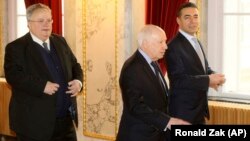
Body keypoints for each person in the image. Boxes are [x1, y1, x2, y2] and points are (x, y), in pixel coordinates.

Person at [4, 3, 83, 141]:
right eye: (41, 21)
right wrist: (41, 86)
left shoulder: (60, 41)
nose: (46, 24)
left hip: (66, 122)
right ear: (29, 23)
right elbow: (14, 77)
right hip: (34, 125)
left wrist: (78, 81)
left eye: (49, 20)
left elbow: (75, 65)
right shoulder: (16, 47)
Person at [116, 25, 190, 141]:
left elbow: (159, 97)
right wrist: (167, 121)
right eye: (160, 42)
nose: (165, 46)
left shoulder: (153, 61)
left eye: (165, 42)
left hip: (156, 134)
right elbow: (136, 106)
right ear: (145, 44)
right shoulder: (131, 68)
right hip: (138, 136)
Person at [165, 2, 226, 125]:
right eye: (187, 17)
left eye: (196, 16)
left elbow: (203, 69)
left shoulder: (196, 41)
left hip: (198, 111)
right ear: (178, 21)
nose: (193, 21)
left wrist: (215, 76)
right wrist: (208, 80)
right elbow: (178, 80)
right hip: (183, 114)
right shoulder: (173, 47)